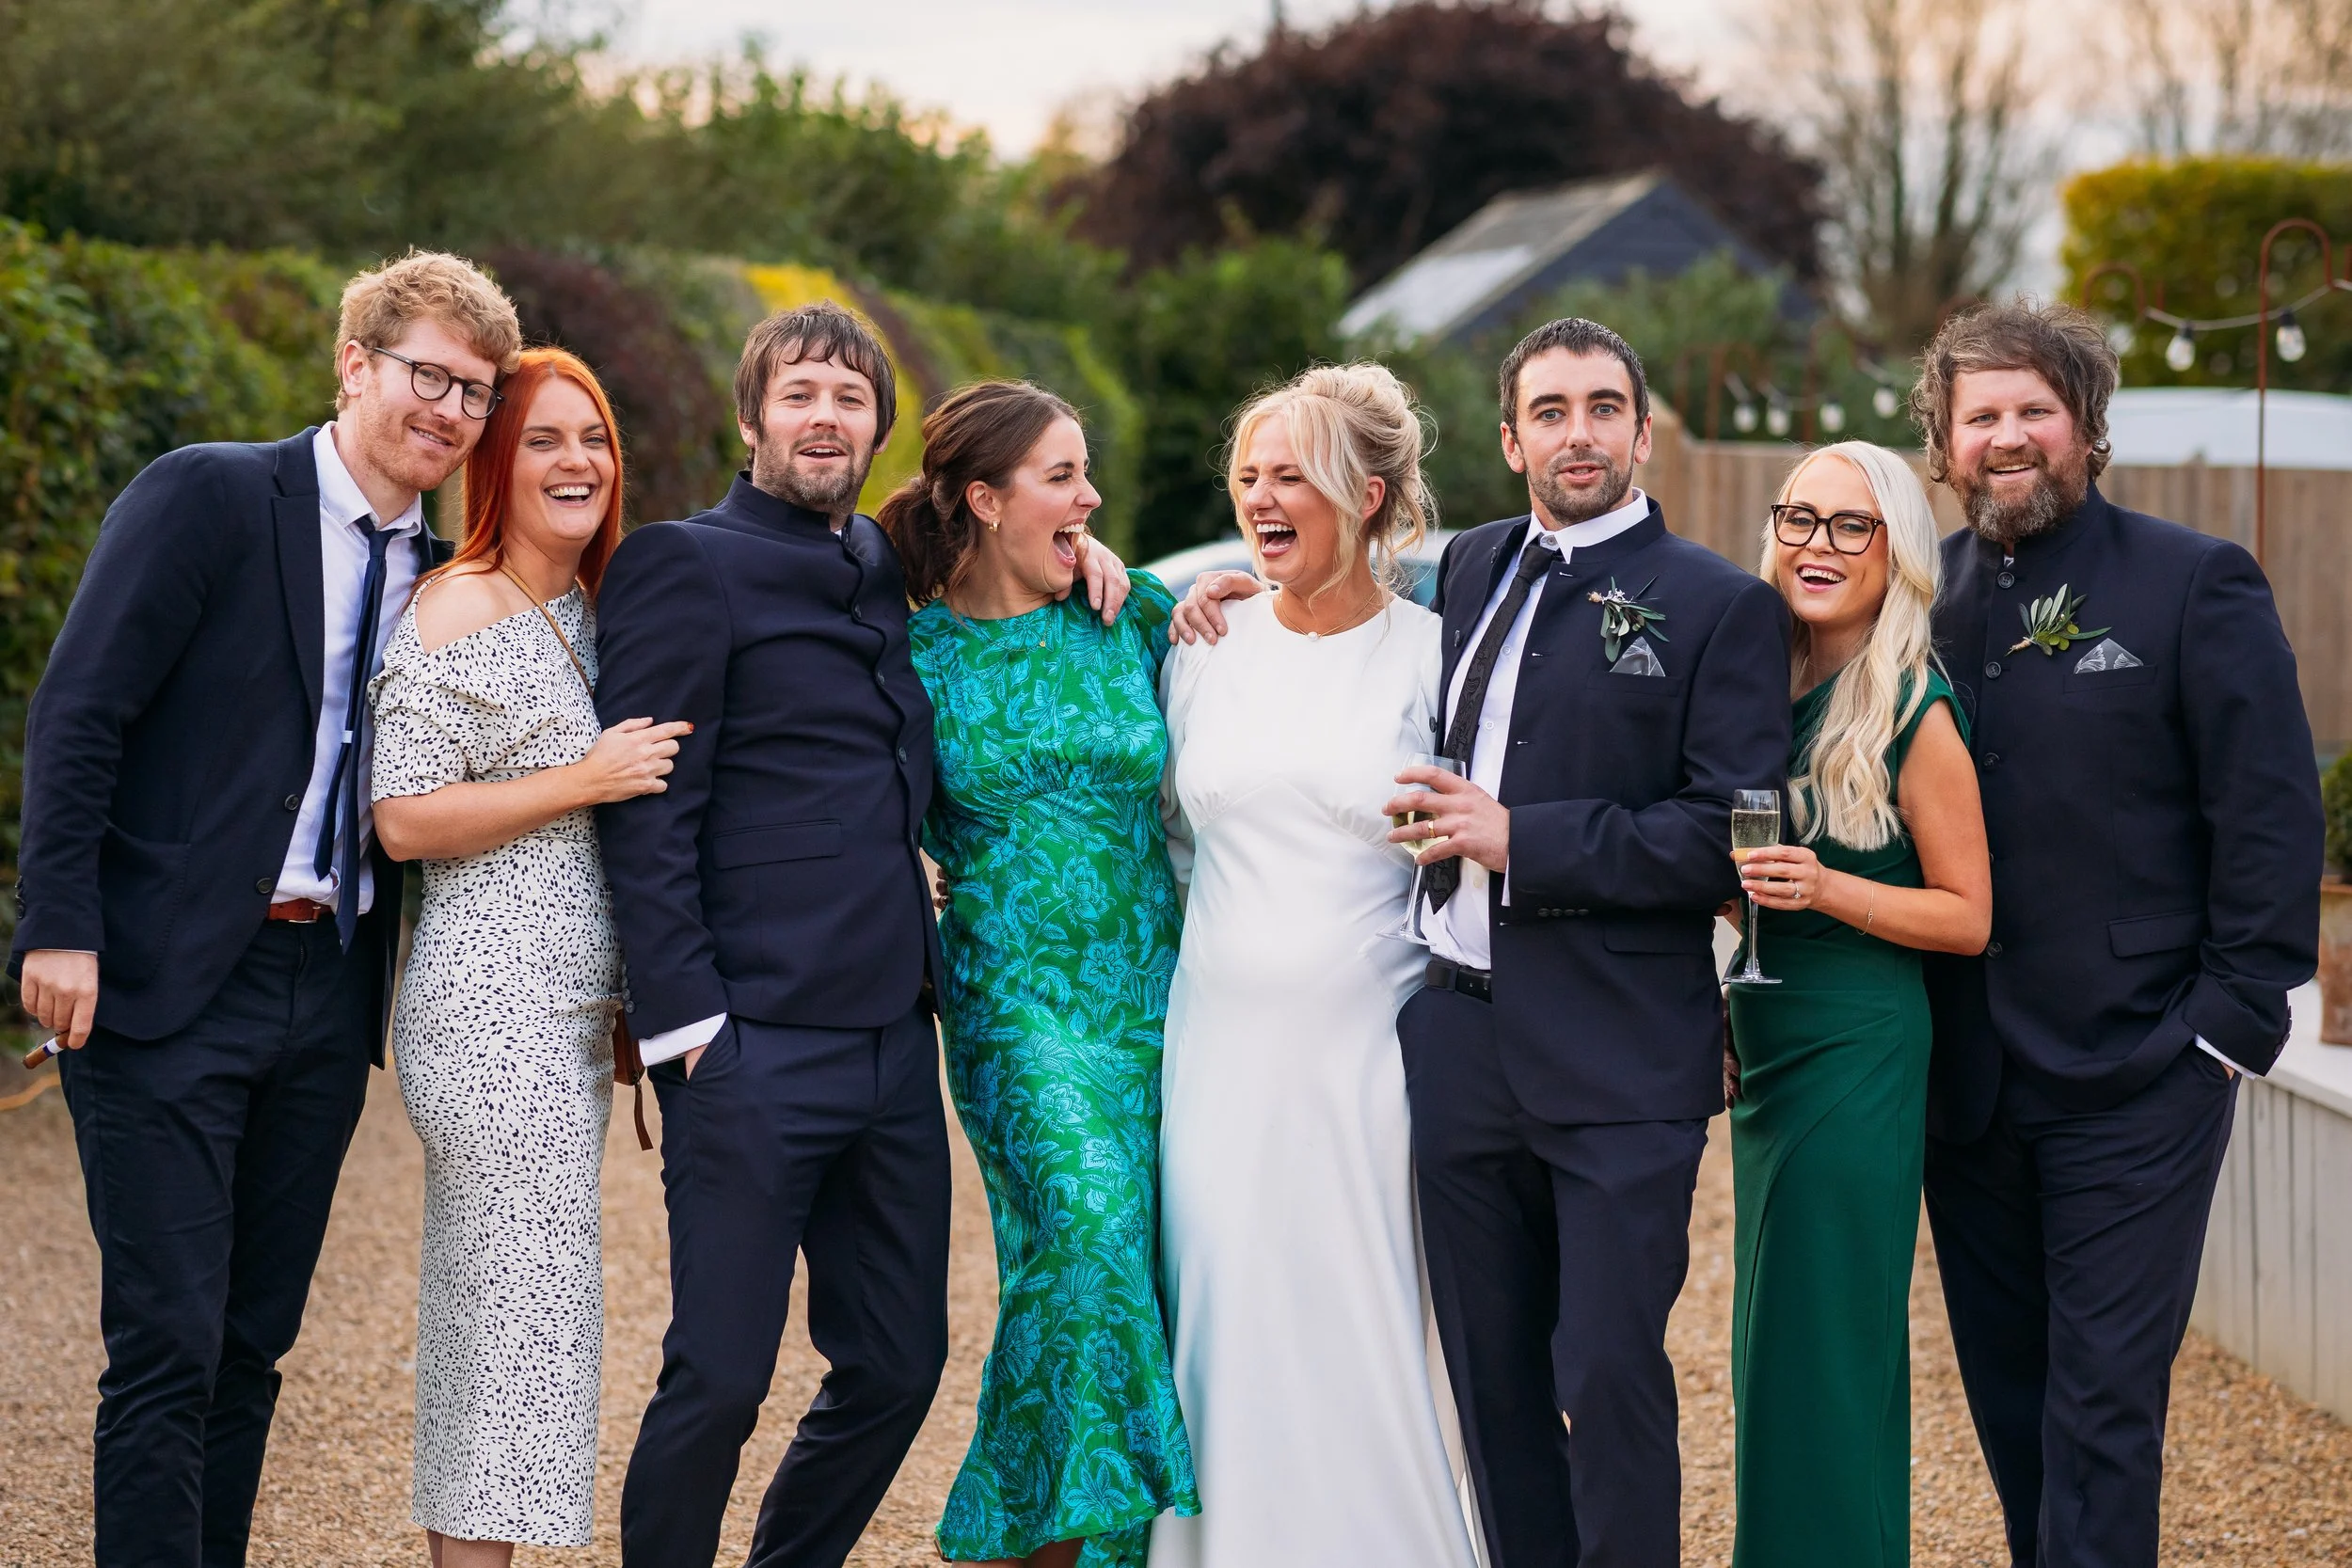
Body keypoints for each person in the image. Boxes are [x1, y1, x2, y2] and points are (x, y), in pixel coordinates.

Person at [1179, 319, 1790, 1567]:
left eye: (1603, 406)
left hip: (1619, 1047)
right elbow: (1336, 622)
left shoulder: (1720, 605)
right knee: (1490, 1378)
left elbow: (1726, 839)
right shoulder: (1473, 570)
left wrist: (1525, 836)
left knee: (1608, 1369)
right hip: (1453, 1039)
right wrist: (1214, 590)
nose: (1580, 431)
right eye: (1551, 410)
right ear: (1512, 439)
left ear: (1641, 428)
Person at [596, 302, 1130, 1568]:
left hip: (895, 1035)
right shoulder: (684, 562)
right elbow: (650, 814)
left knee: (898, 1361)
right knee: (719, 1376)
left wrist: (1088, 559)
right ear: (752, 418)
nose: (824, 415)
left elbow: (1005, 560)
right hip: (750, 1042)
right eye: (800, 394)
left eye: (849, 397)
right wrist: (686, 1025)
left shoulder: (884, 570)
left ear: (878, 428)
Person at [10, 251, 519, 1564]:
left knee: (250, 1344)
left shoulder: (448, 572)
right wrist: (56, 923)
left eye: (476, 391)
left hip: (328, 985)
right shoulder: (213, 495)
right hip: (166, 974)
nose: (453, 411)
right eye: (429, 376)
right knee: (168, 1339)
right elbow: (80, 712)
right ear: (353, 365)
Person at [1912, 302, 2321, 1568]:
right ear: (1944, 443)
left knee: (2103, 1406)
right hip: (1964, 1083)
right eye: (1981, 415)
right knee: (2015, 1403)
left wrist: (2231, 1023)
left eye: (2035, 407)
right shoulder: (1921, 595)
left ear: (2087, 427)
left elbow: (2267, 807)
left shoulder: (2194, 580)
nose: (2009, 435)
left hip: (2142, 1069)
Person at [1152, 363, 1479, 1568]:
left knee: (1366, 1317)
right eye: (1248, 476)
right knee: (1223, 1315)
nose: (1262, 498)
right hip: (1217, 1052)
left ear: (1371, 495)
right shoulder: (1201, 642)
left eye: (1293, 474)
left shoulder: (1439, 658)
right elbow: (1169, 841)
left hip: (1367, 1054)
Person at [367, 348, 691, 1566]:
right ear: (496, 463)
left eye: (593, 437)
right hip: (490, 1003)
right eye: (546, 440)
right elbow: (403, 816)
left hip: (569, 1004)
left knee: (525, 1313)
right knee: (517, 1314)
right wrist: (586, 777)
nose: (578, 462)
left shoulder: (602, 607)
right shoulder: (459, 601)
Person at [882, 380, 1199, 1568]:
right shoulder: (908, 650)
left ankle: (1080, 1549)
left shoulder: (1128, 611)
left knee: (1127, 1271)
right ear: (983, 497)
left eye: (1087, 475)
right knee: (1086, 1230)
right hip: (1015, 1002)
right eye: (1063, 477)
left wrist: (1197, 589)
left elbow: (1259, 658)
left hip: (1160, 994)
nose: (1091, 495)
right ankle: (1033, 1547)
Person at [1719, 442, 1992, 1568]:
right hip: (1768, 1041)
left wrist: (1830, 887)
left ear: (1898, 552)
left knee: (1826, 1351)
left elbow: (1969, 915)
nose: (1815, 546)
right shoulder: (1751, 681)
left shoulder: (1914, 709)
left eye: (1848, 526)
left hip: (1858, 1047)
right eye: (1798, 518)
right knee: (1768, 1349)